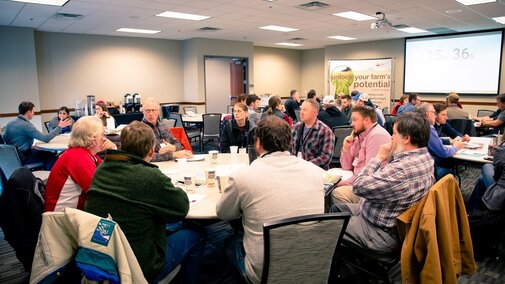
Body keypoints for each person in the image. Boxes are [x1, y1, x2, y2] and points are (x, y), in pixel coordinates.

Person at [85, 121, 205, 284]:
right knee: (196, 233)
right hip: (140, 268)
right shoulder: (148, 177)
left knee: (169, 224)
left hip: (103, 259)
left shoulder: (101, 170)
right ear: (150, 151)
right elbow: (181, 208)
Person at [216, 116, 324, 283]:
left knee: (231, 242)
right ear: (289, 142)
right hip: (313, 265)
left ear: (257, 143)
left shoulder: (243, 177)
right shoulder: (316, 172)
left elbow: (223, 214)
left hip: (267, 273)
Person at [332, 112, 435, 255]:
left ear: (406, 138)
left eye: (394, 134)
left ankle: (345, 265)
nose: (391, 138)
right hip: (389, 218)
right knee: (338, 209)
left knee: (330, 224)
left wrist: (379, 157)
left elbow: (359, 186)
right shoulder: (425, 158)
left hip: (382, 233)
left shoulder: (402, 170)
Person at [44, 116, 115, 212]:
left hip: (72, 214)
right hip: (61, 219)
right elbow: (100, 192)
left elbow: (108, 171)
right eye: (102, 135)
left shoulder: (84, 154)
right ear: (93, 139)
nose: (105, 139)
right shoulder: (79, 157)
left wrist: (113, 149)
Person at [331, 105, 391, 204]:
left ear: (367, 120)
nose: (351, 124)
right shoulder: (360, 135)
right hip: (357, 178)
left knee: (336, 192)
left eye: (355, 120)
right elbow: (346, 166)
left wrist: (344, 183)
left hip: (370, 188)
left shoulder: (376, 136)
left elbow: (369, 173)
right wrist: (346, 148)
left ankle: (351, 217)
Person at [3, 101, 72, 170]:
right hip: (24, 157)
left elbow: (6, 140)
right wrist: (60, 127)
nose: (34, 113)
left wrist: (28, 146)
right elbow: (45, 139)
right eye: (33, 111)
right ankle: (51, 177)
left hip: (12, 158)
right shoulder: (26, 125)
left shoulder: (10, 123)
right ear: (28, 112)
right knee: (51, 157)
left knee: (43, 152)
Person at [414, 102, 463, 180]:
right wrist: (456, 147)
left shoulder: (412, 125)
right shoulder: (428, 128)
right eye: (434, 112)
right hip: (426, 167)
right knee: (448, 163)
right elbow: (443, 152)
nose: (435, 115)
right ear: (428, 114)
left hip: (414, 165)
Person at [142, 97, 192, 161]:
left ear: (158, 111)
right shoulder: (140, 130)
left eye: (153, 110)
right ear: (143, 111)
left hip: (170, 164)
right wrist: (173, 155)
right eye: (147, 110)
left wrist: (173, 148)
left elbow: (177, 143)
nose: (151, 114)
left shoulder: (163, 126)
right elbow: (145, 156)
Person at [290, 99, 335, 169]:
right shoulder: (295, 127)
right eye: (301, 109)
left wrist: (305, 166)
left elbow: (326, 157)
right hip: (296, 169)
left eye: (305, 110)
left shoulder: (325, 131)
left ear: (314, 113)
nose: (301, 112)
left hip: (315, 172)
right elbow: (289, 149)